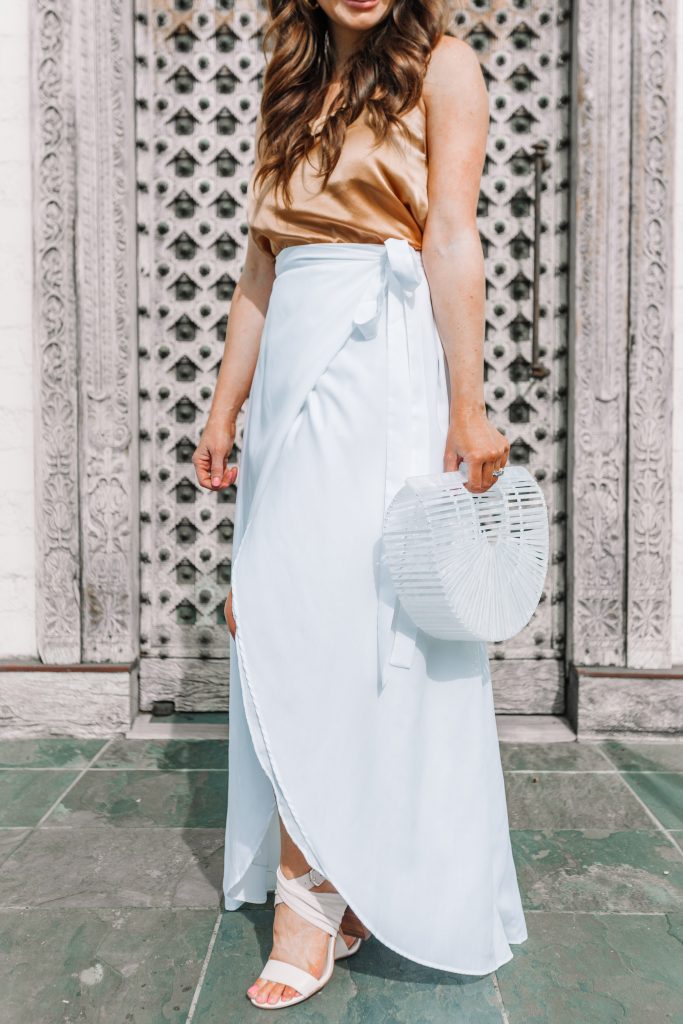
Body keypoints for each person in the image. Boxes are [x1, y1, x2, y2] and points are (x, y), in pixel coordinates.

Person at [192, 0, 527, 1010]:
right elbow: (260, 263)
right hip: (295, 349)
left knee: (350, 622)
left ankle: (312, 892)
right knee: (278, 610)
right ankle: (332, 861)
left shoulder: (444, 66)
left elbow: (451, 234)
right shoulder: (285, 78)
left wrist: (467, 406)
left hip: (379, 362)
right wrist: (224, 405)